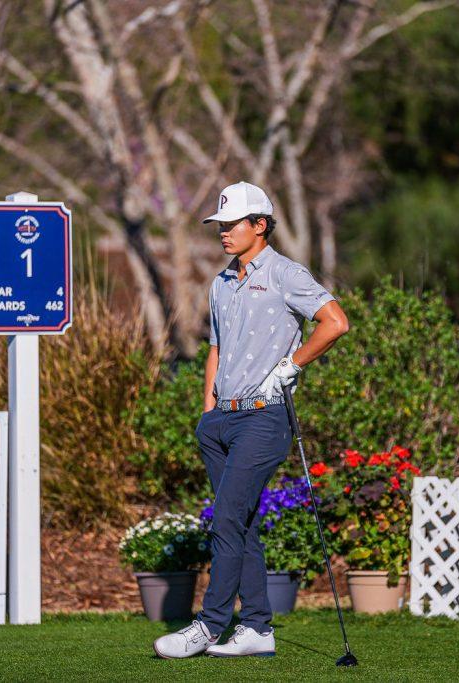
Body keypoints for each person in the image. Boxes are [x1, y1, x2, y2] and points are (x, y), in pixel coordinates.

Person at [153, 181, 350, 659]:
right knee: (240, 524)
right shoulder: (222, 281)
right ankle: (258, 628)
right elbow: (216, 348)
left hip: (264, 420)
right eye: (219, 225)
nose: (223, 233)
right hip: (221, 421)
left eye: (231, 224)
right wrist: (207, 413)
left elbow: (335, 322)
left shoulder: (285, 273)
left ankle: (210, 624)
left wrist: (291, 366)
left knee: (224, 519)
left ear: (259, 225)